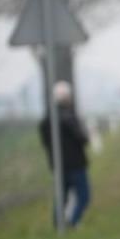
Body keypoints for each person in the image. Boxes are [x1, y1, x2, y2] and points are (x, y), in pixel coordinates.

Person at [39, 80, 91, 228]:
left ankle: (58, 225)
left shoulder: (46, 120)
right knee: (84, 196)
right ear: (67, 97)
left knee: (61, 197)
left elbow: (44, 142)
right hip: (76, 164)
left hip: (58, 166)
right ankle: (73, 222)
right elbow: (83, 138)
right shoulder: (69, 117)